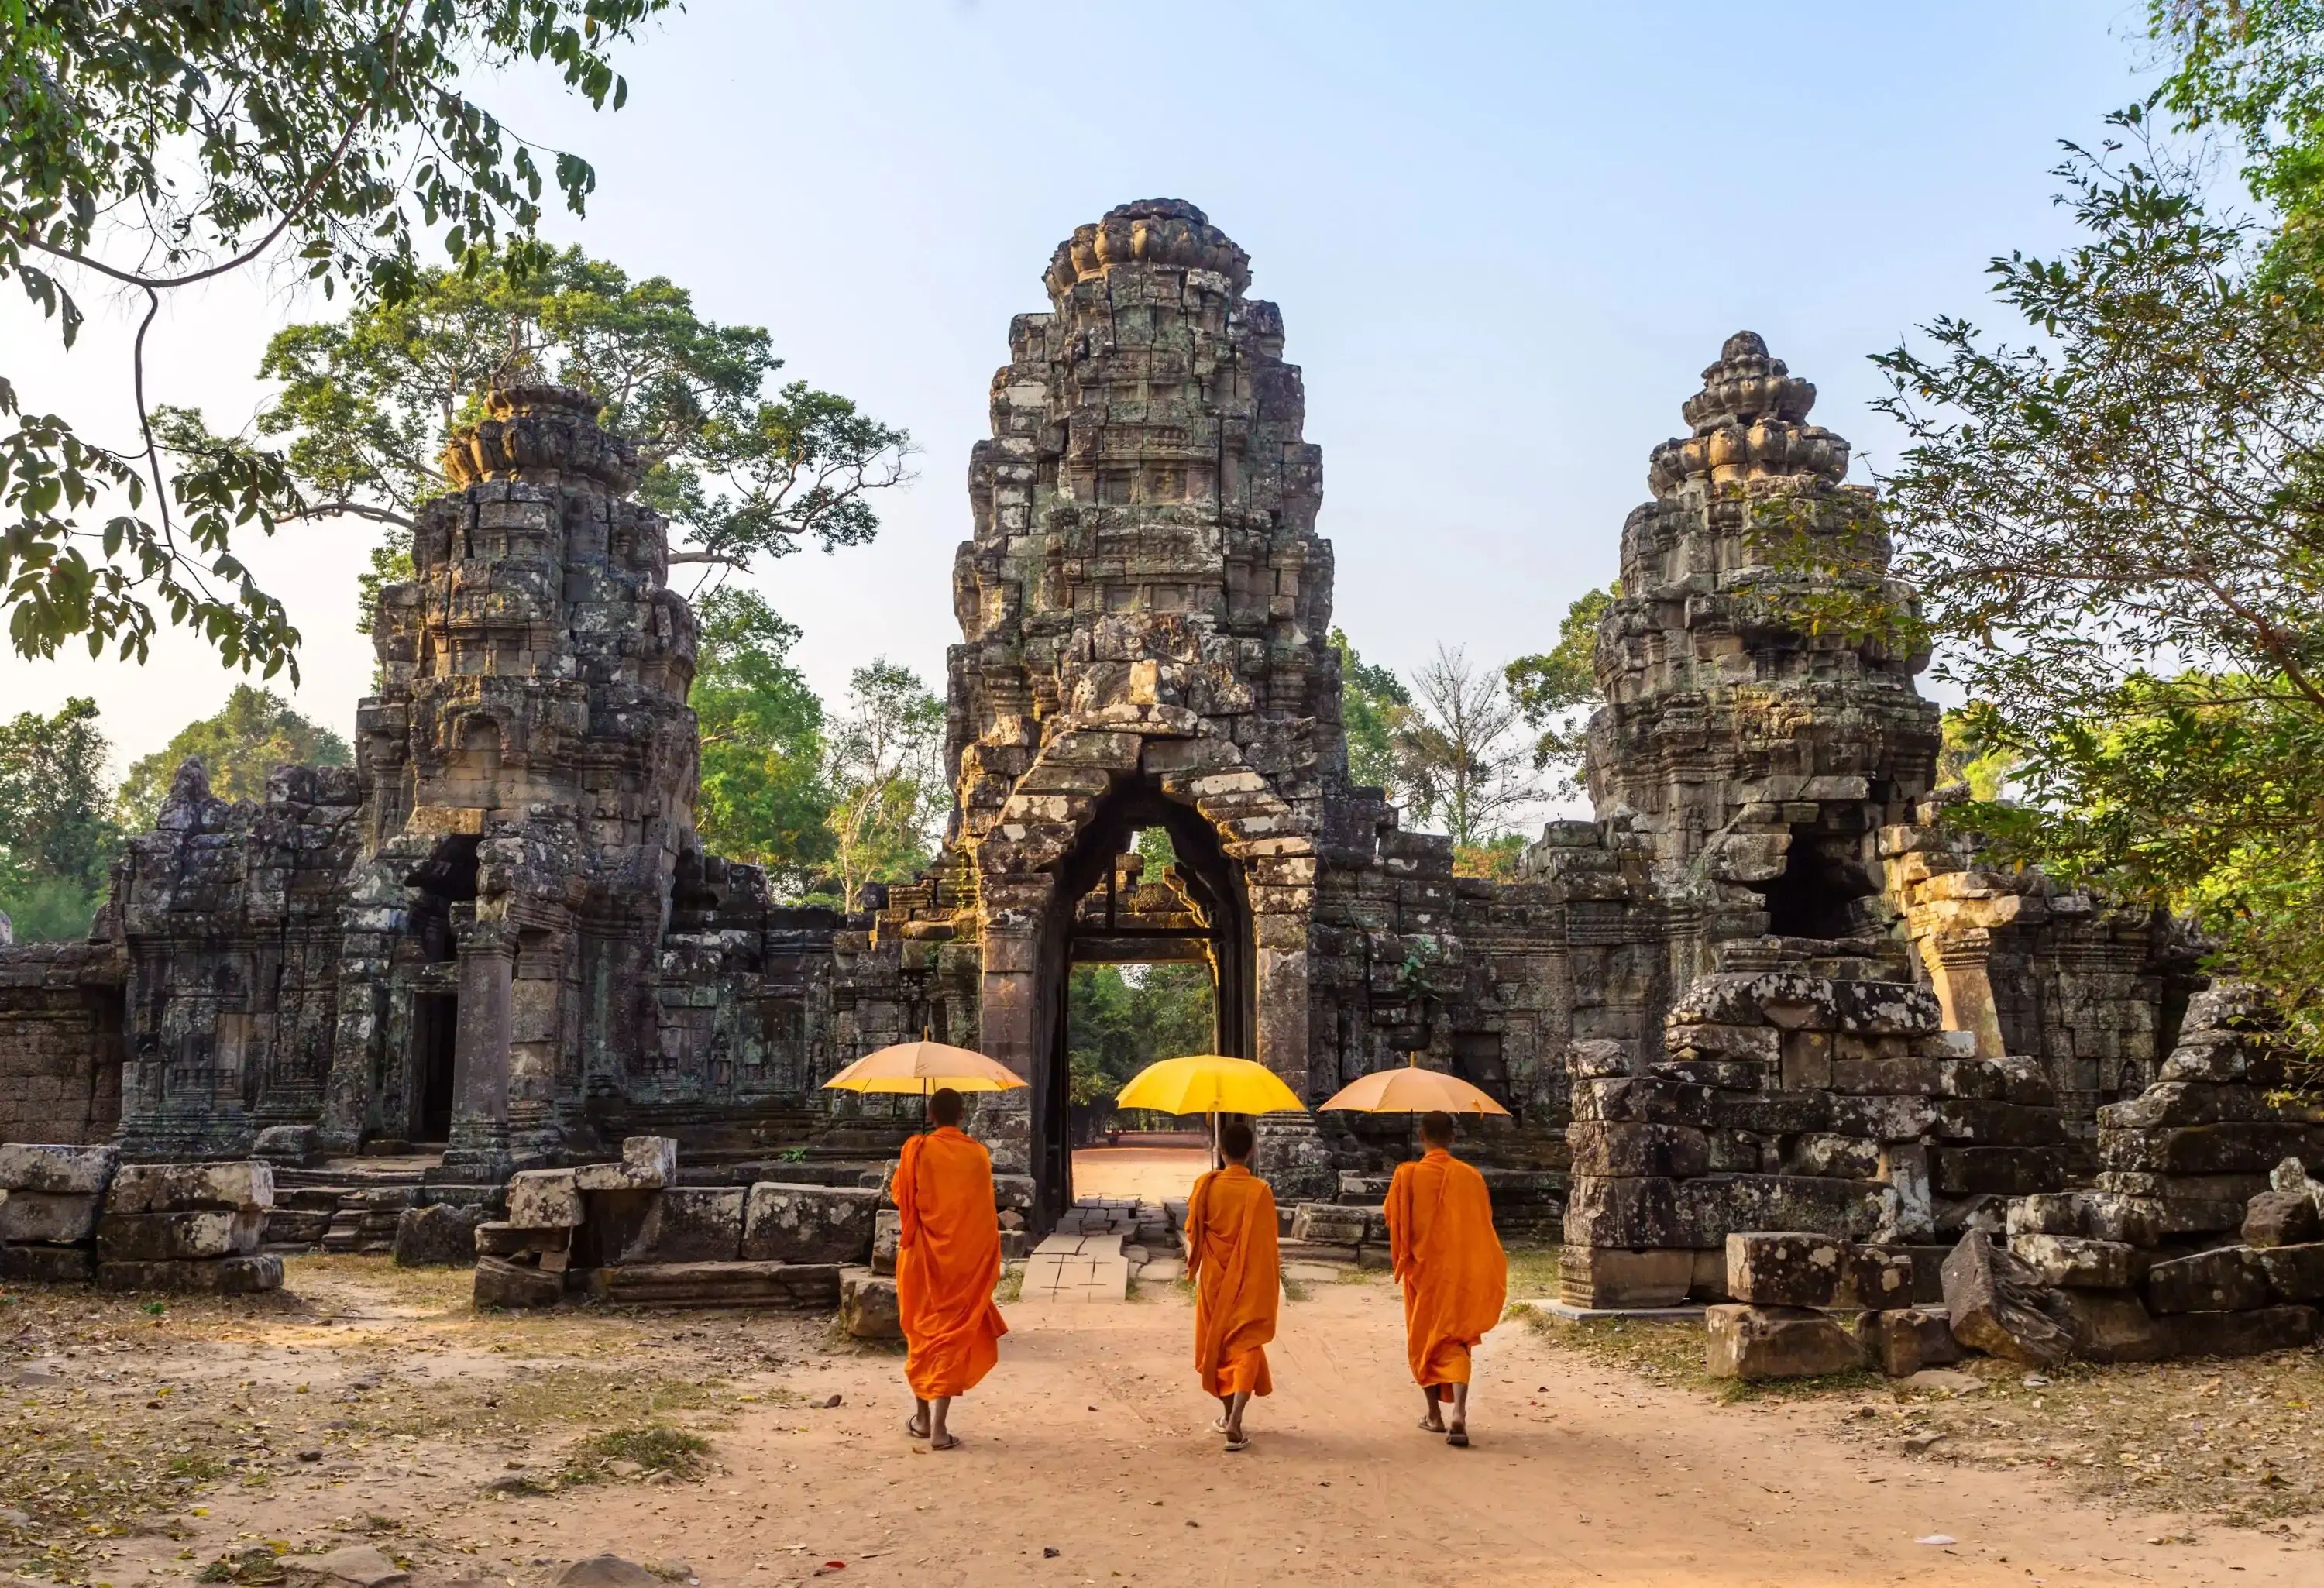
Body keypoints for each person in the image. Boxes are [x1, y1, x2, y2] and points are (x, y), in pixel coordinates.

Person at [892, 1086, 1009, 1450]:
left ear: (930, 1114)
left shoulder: (916, 1149)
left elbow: (900, 1196)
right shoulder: (978, 1155)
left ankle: (923, 1419)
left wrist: (917, 1159)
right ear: (962, 1116)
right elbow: (983, 1211)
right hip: (963, 1263)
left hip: (922, 1261)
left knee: (922, 1334)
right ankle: (939, 1429)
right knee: (951, 1339)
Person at [1384, 1109, 1506, 1447]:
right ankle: (1460, 1413)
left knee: (1424, 1338)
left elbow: (1392, 1219)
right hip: (1460, 1271)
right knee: (1456, 1340)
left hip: (1423, 1274)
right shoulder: (1471, 1177)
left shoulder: (1406, 1175)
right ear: (1452, 1138)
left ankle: (1434, 1415)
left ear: (1420, 1137)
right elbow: (1484, 1224)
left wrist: (1405, 1185)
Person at [1183, 1115, 1279, 1452]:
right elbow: (1269, 1244)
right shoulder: (1261, 1192)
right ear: (1251, 1152)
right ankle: (1235, 1418)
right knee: (1246, 1343)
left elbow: (1193, 1231)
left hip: (1214, 1279)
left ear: (1221, 1151)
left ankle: (1228, 1416)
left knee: (1219, 1343)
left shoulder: (1205, 1186)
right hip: (1250, 1280)